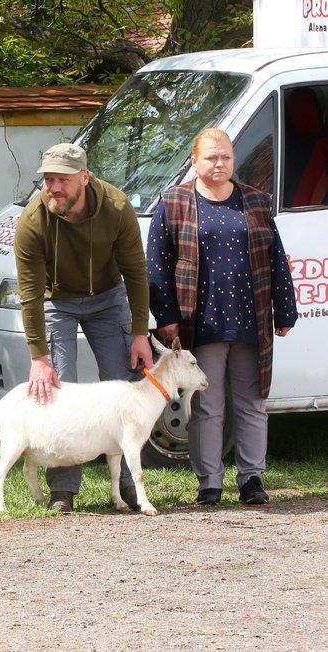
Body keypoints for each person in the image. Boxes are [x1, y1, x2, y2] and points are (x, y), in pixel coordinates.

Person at [147, 127, 297, 507]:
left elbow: (276, 259)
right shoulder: (174, 201)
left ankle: (251, 480)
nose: (219, 164)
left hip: (252, 318)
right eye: (211, 157)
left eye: (226, 157)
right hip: (203, 322)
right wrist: (165, 316)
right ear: (194, 161)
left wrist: (285, 308)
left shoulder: (256, 201)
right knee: (209, 405)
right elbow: (157, 265)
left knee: (251, 402)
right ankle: (209, 484)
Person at [13, 142, 153, 513]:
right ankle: (64, 489)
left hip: (108, 299)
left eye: (61, 180)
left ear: (84, 178)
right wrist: (39, 358)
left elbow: (136, 273)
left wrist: (140, 332)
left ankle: (128, 487)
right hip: (57, 300)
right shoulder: (32, 221)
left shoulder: (117, 207)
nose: (53, 188)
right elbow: (29, 294)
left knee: (123, 388)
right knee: (59, 391)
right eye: (48, 180)